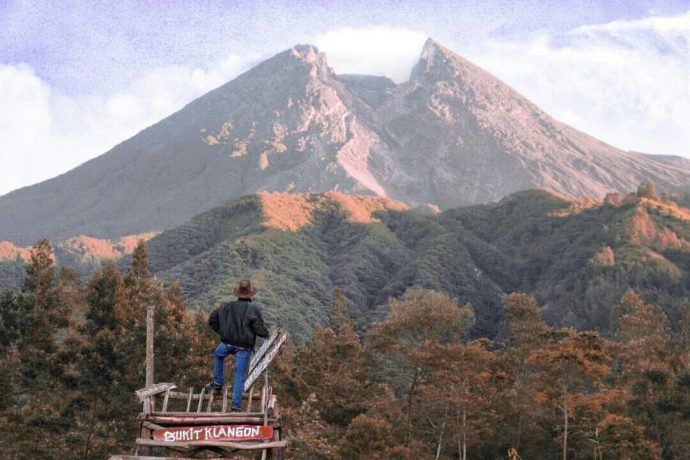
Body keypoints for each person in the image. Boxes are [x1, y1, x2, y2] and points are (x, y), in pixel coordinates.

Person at [208, 279, 269, 411]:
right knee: (239, 374)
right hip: (244, 347)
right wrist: (266, 333)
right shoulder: (253, 309)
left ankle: (218, 383)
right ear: (250, 294)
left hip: (227, 342)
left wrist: (222, 331)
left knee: (218, 355)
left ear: (237, 294)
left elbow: (212, 319)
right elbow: (259, 330)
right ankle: (236, 406)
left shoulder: (226, 307)